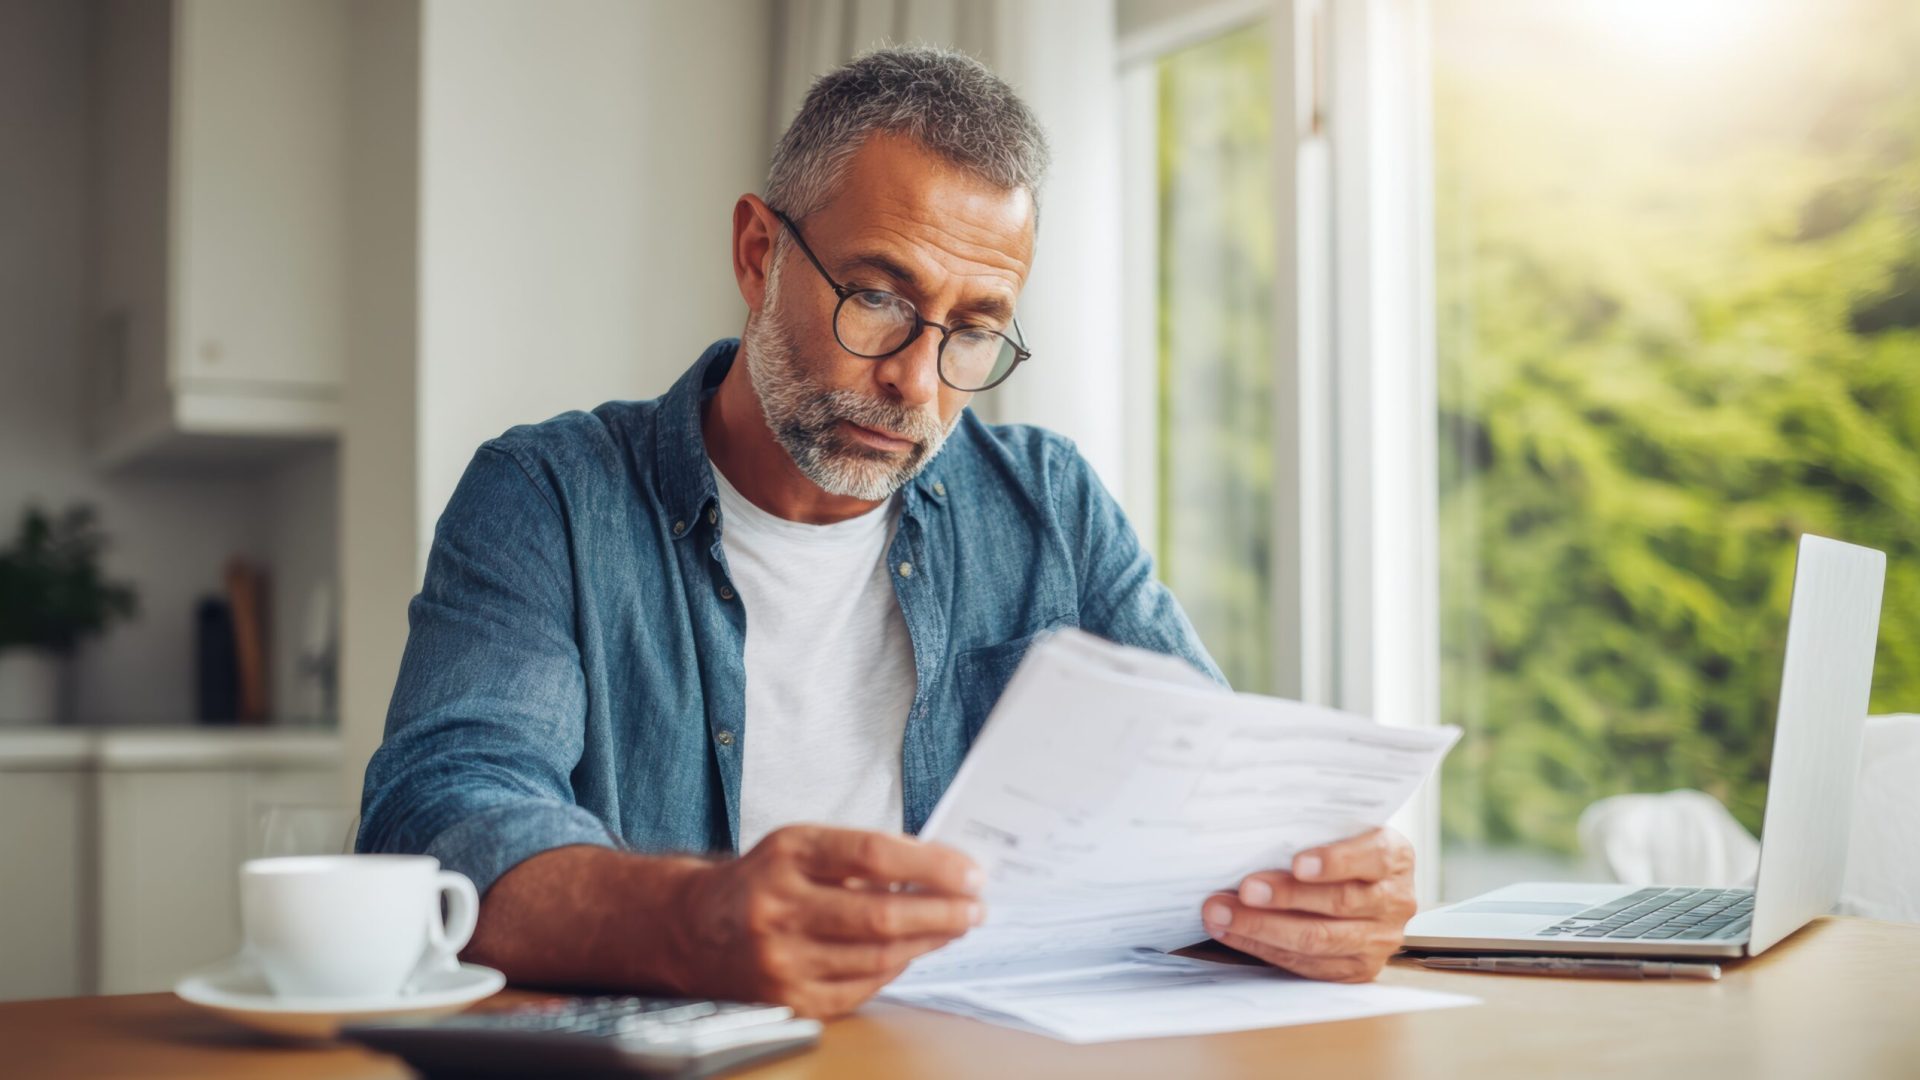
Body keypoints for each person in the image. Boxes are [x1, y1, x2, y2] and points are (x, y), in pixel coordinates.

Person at [357, 45, 1416, 1019]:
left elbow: (1211, 795)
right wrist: (697, 921)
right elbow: (440, 815)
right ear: (757, 252)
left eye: (976, 328)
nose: (916, 377)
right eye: (877, 298)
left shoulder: (1049, 502)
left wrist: (1313, 891)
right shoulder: (550, 498)